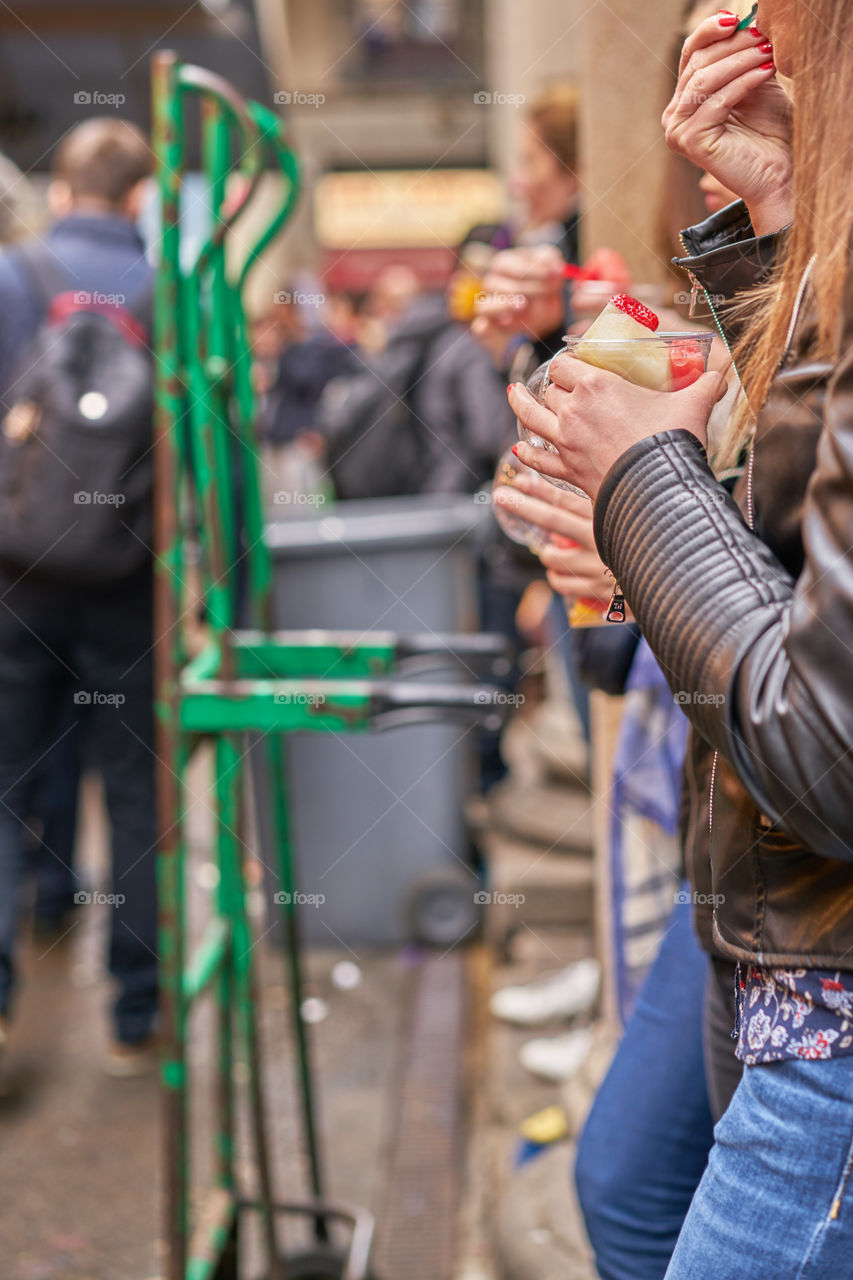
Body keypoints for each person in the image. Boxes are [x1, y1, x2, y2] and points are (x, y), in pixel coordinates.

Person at [510, 4, 853, 1274]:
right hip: (760, 895)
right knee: (621, 1180)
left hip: (810, 938)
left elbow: (825, 736)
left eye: (779, 22)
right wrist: (777, 228)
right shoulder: (796, 244)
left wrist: (644, 488)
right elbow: (794, 513)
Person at [0, 118, 159, 1077]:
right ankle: (135, 1015)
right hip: (127, 576)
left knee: (5, 783)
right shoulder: (167, 290)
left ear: (63, 191)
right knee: (135, 788)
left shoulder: (12, 275)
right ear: (140, 198)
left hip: (14, 572)